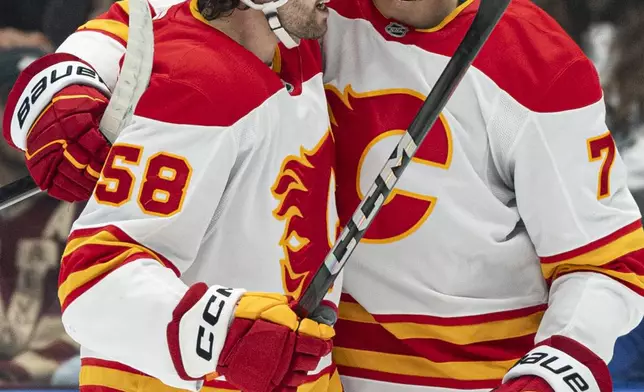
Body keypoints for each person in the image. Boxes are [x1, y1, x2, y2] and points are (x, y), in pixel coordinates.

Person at [5, 0, 644, 391]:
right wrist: (59, 83)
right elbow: (162, 14)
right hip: (300, 367)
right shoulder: (310, 14)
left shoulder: (541, 67)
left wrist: (560, 365)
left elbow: (606, 262)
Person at [3, 0, 342, 391]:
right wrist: (222, 333)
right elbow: (93, 280)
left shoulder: (295, 42)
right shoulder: (200, 88)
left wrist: (60, 77)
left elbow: (152, 14)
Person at [0, 47, 81, 386]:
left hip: (52, 382)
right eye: (17, 109)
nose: (33, 125)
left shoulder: (84, 203)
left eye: (46, 110)